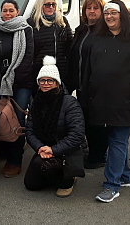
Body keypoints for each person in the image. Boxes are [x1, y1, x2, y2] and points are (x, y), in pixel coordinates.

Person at [85, 0, 130, 202]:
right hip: (101, 98)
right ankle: (125, 176)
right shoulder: (97, 38)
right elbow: (88, 69)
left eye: (113, 13)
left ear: (122, 15)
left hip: (127, 100)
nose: (109, 16)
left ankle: (111, 185)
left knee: (117, 139)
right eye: (106, 13)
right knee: (115, 139)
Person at [0, 0, 33, 178]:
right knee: (0, 118)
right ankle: (3, 151)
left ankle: (15, 160)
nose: (8, 13)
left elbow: (28, 58)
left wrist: (13, 80)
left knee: (17, 120)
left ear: (17, 12)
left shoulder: (26, 31)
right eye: (5, 10)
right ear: (1, 12)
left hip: (21, 83)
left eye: (11, 10)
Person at [24, 56, 85, 197]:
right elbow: (30, 130)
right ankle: (51, 174)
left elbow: (77, 134)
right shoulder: (36, 102)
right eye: (42, 80)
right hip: (43, 148)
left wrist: (53, 149)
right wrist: (40, 148)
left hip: (66, 150)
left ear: (57, 83)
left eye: (50, 80)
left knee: (43, 167)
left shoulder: (69, 103)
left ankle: (68, 179)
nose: (46, 83)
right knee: (31, 185)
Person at [66, 0, 108, 169]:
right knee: (87, 121)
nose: (91, 11)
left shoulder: (105, 32)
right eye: (88, 8)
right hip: (82, 84)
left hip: (97, 87)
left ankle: (98, 156)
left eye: (95, 8)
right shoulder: (82, 29)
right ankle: (93, 152)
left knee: (97, 122)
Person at [27, 0, 72, 96]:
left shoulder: (62, 21)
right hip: (40, 75)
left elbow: (70, 46)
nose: (51, 7)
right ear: (40, 5)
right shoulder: (32, 23)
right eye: (47, 5)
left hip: (60, 73)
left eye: (53, 4)